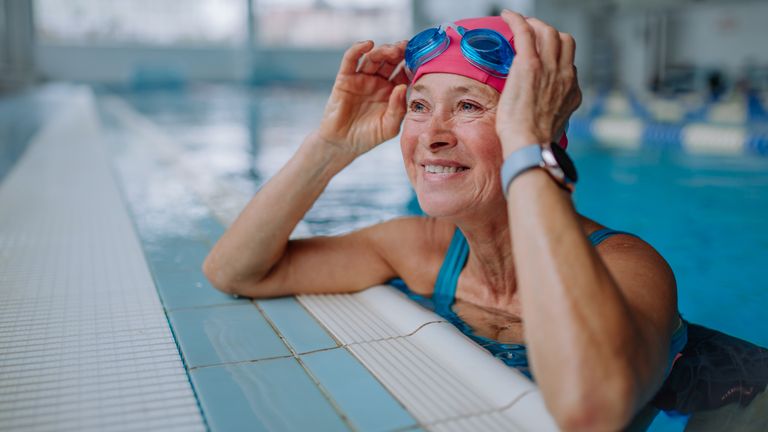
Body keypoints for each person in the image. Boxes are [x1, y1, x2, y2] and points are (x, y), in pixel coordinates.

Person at [203, 11, 686, 431]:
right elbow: (236, 272)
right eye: (419, 106)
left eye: (469, 106)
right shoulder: (422, 249)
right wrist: (331, 147)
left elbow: (592, 412)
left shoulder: (626, 266)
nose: (431, 136)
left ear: (542, 129)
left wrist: (527, 143)